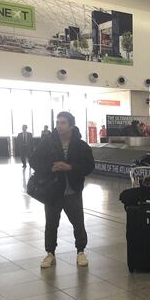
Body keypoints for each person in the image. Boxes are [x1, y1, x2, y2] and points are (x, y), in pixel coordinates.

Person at [30, 112, 95, 269]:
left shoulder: (80, 145)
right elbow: (34, 160)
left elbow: (89, 166)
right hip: (53, 190)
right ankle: (50, 253)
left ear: (71, 125)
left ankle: (80, 251)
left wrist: (70, 167)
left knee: (78, 222)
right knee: (51, 223)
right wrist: (50, 168)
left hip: (72, 191)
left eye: (63, 123)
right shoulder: (48, 143)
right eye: (58, 122)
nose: (59, 126)